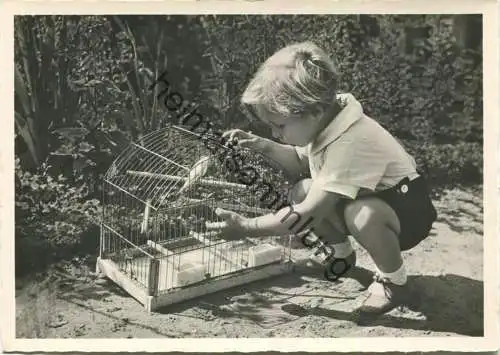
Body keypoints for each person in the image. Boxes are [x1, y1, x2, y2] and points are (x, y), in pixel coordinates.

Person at [205, 41, 437, 315]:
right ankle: (342, 255)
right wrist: (263, 145)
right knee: (303, 189)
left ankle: (394, 282)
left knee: (362, 214)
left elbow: (306, 216)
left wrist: (246, 226)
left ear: (313, 111)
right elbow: (300, 160)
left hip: (407, 211)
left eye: (278, 126)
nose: (275, 133)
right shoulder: (326, 119)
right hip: (377, 198)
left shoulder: (350, 140)